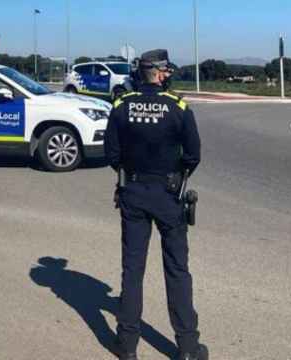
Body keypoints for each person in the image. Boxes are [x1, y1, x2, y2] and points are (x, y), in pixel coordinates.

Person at [104, 49, 207, 360]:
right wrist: (174, 175)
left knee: (132, 271)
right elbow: (193, 154)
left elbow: (111, 153)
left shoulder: (121, 106)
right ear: (161, 73)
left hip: (133, 191)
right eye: (167, 72)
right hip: (168, 195)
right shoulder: (178, 107)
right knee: (177, 270)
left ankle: (127, 346)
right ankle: (188, 347)